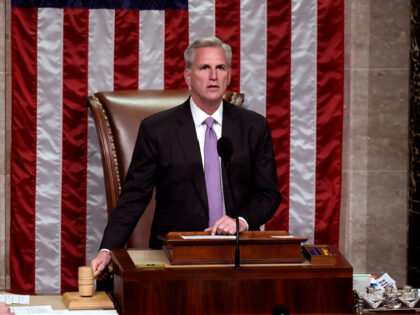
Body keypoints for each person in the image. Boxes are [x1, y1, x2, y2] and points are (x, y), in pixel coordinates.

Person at [91, 36, 281, 273]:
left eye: (220, 68)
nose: (214, 76)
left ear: (229, 75)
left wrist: (241, 220)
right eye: (204, 68)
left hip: (237, 255)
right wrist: (108, 248)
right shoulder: (158, 129)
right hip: (176, 257)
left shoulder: (253, 127)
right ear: (188, 76)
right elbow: (134, 196)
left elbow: (268, 194)